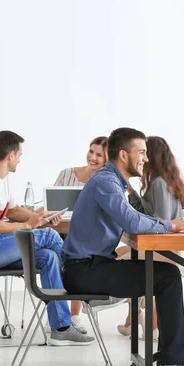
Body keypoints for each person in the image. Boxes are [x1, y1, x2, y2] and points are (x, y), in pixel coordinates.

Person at [61, 127, 184, 366]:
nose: (145, 158)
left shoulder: (110, 181)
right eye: (141, 152)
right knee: (167, 276)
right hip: (84, 271)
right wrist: (170, 225)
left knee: (166, 274)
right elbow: (132, 222)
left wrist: (165, 223)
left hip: (88, 267)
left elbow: (136, 217)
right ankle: (174, 362)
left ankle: (176, 359)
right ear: (124, 155)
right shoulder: (105, 182)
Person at [0, 131, 95, 346]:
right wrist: (28, 226)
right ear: (11, 155)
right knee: (49, 235)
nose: (21, 159)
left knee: (49, 257)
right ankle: (83, 282)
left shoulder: (1, 179)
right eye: (20, 154)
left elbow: (12, 211)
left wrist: (38, 216)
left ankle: (61, 327)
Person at [118, 136, 184, 341]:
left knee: (117, 260)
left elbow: (162, 223)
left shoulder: (159, 183)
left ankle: (143, 317)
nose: (141, 158)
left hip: (164, 250)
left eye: (143, 153)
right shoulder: (162, 180)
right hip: (161, 247)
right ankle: (136, 317)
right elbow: (147, 212)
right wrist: (131, 190)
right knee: (119, 254)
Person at [53, 136, 110, 334]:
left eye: (99, 155)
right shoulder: (68, 174)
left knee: (83, 252)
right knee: (70, 253)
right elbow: (53, 206)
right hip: (61, 233)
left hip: (88, 239)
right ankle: (64, 316)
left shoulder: (106, 181)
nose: (92, 157)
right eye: (91, 151)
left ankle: (74, 314)